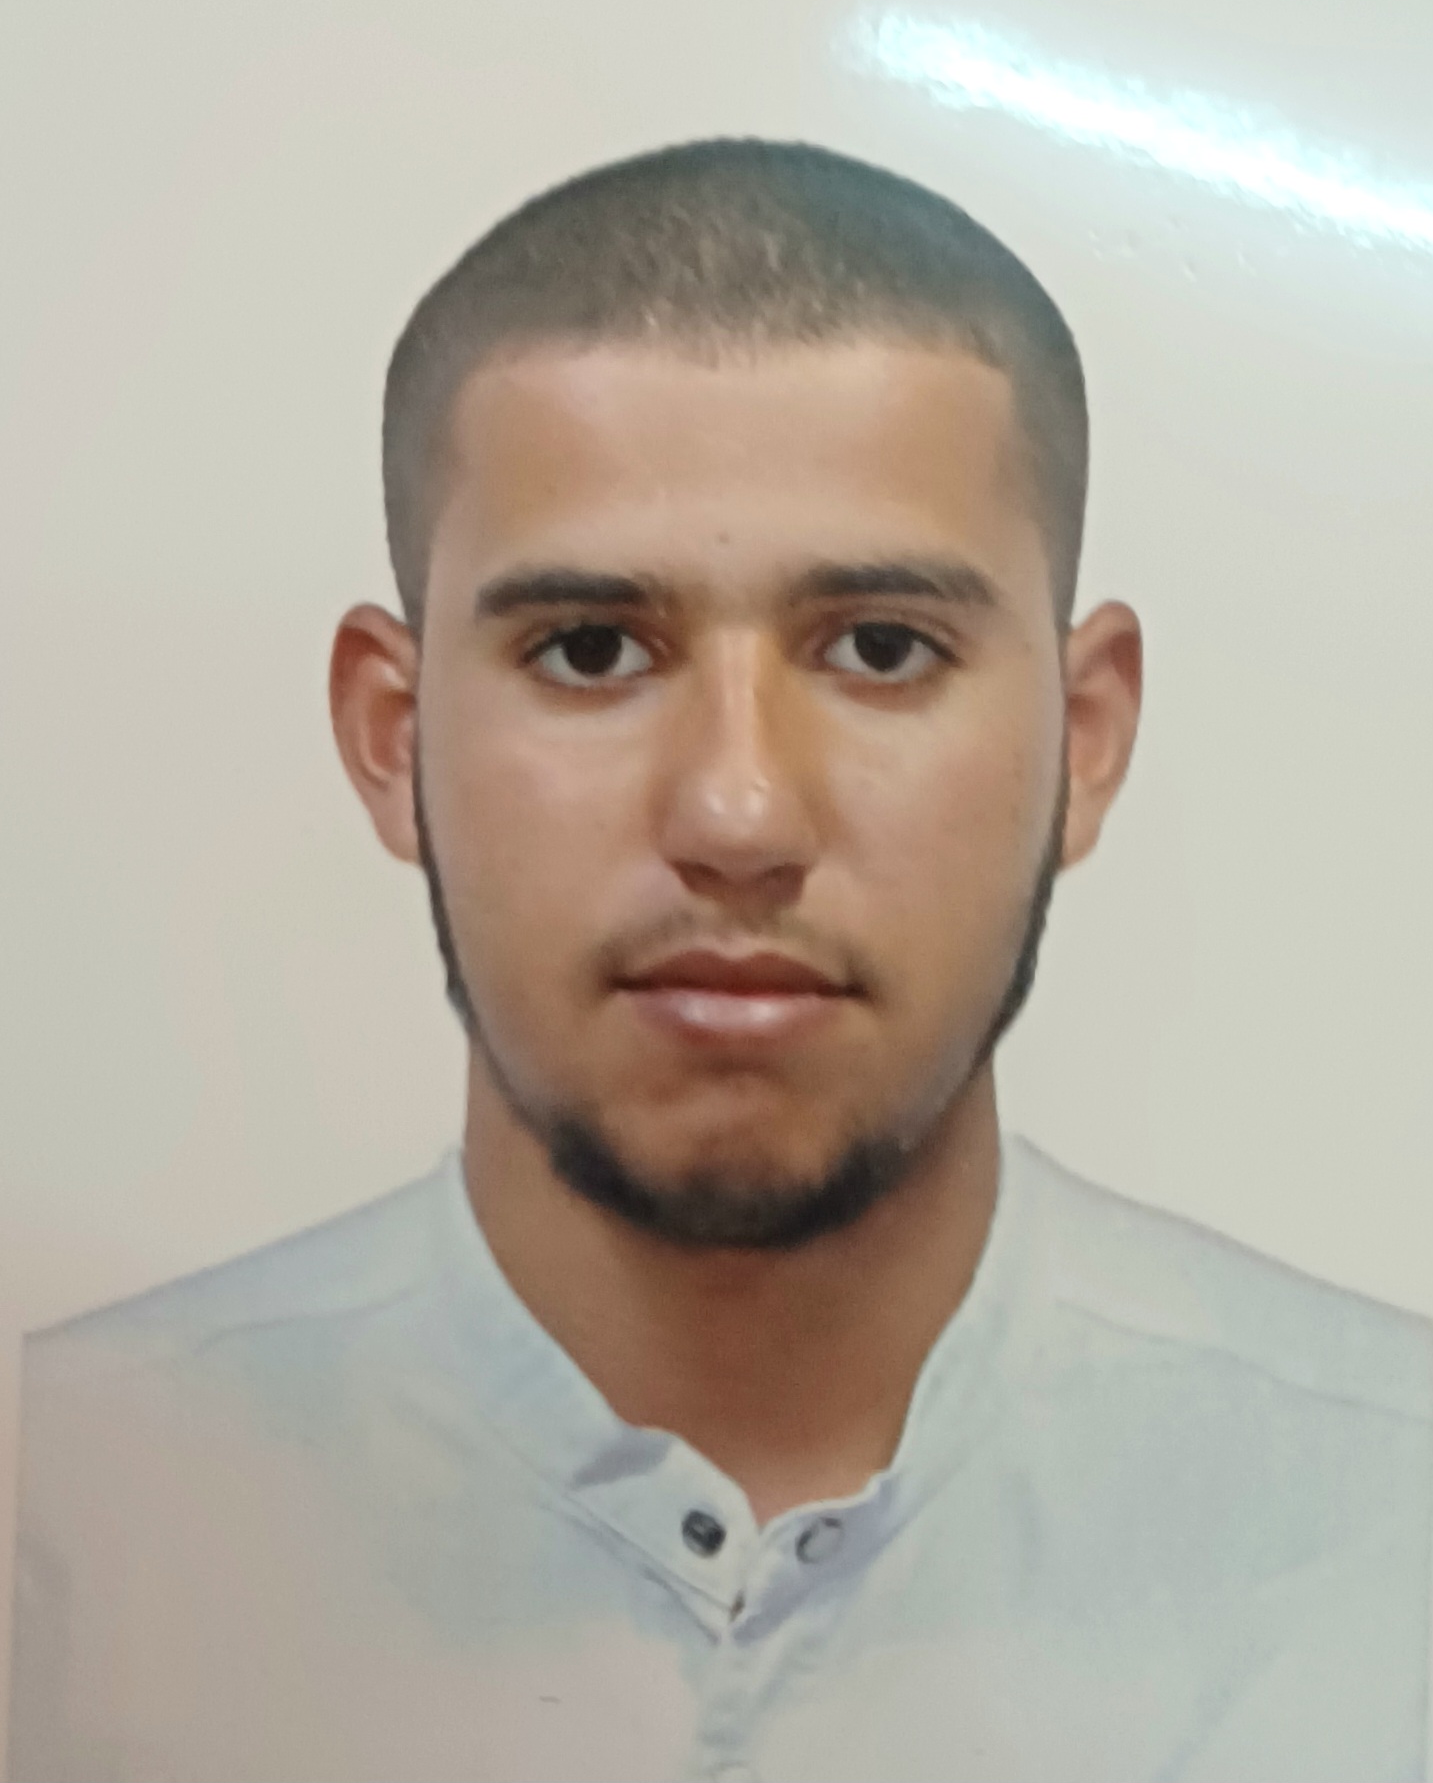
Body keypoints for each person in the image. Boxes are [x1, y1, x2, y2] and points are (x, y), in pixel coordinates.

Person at [7, 137, 1431, 1783]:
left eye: (881, 647)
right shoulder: (58, 1528)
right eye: (588, 649)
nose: (739, 811)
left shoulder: (1390, 1535)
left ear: (1084, 738)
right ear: (393, 739)